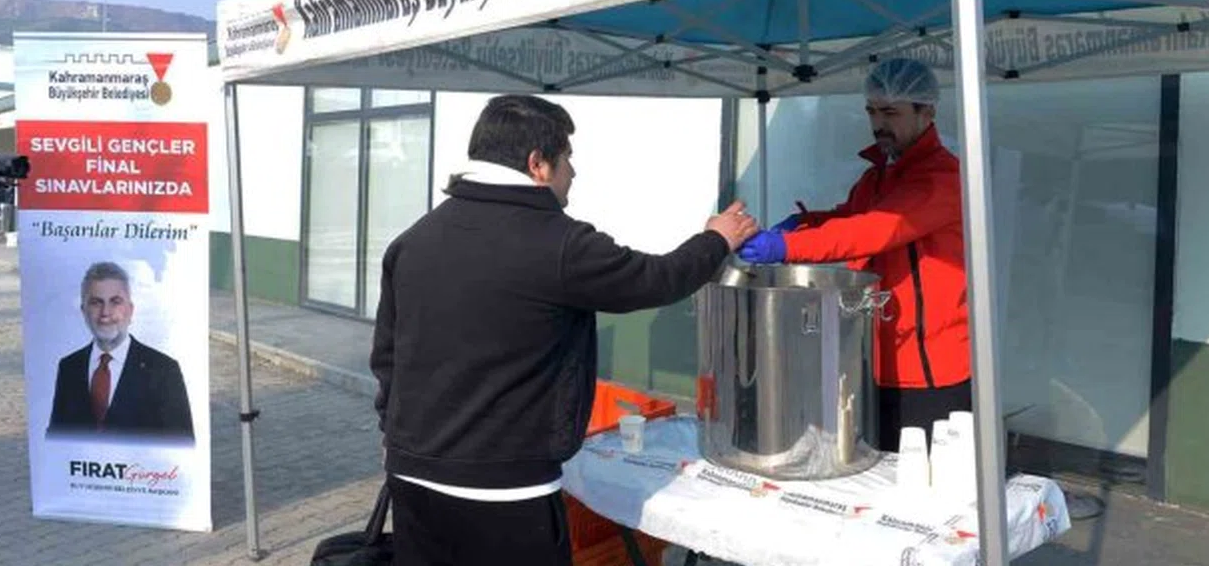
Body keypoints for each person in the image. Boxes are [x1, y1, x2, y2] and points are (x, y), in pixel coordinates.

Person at [370, 94, 759, 566]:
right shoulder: (559, 244)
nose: (573, 172)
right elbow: (655, 280)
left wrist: (397, 436)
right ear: (538, 164)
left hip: (412, 479)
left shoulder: (412, 241)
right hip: (507, 494)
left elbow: (387, 359)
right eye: (567, 158)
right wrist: (718, 238)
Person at [737, 57, 970, 452]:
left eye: (891, 113)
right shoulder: (878, 175)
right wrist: (804, 222)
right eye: (872, 111)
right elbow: (850, 217)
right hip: (874, 355)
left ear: (927, 113)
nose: (878, 123)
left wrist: (787, 247)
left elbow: (873, 230)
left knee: (927, 477)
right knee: (872, 469)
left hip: (930, 368)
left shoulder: (941, 179)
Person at [47, 261, 195, 443]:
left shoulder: (164, 370)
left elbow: (182, 444)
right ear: (84, 311)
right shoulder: (69, 367)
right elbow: (55, 439)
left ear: (130, 310)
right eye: (96, 303)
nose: (105, 313)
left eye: (115, 302)